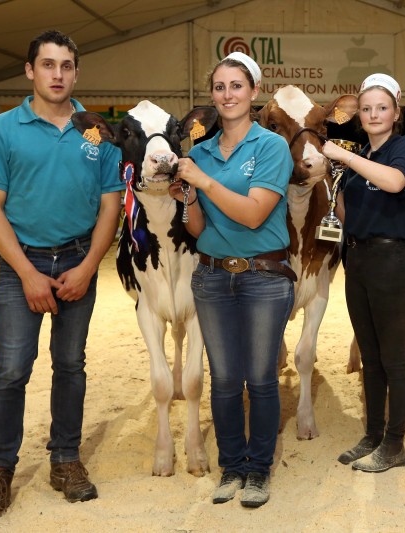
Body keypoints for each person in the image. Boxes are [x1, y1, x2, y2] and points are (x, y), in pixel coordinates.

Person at [0, 30, 122, 528]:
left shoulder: (96, 131)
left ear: (76, 72)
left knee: (70, 365)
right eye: (47, 65)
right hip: (21, 266)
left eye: (66, 65)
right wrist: (27, 273)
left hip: (79, 260)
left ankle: (65, 460)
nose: (57, 74)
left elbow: (110, 205)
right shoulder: (0, 129)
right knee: (11, 368)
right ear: (29, 70)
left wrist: (90, 266)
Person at [170, 51, 294, 508]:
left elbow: (254, 213)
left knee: (260, 378)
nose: (227, 95)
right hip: (213, 277)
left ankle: (258, 470)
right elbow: (199, 230)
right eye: (220, 87)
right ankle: (232, 467)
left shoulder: (271, 147)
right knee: (223, 379)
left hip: (264, 278)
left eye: (236, 86)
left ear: (253, 92)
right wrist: (188, 199)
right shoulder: (199, 152)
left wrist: (202, 182)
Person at [322, 73, 405, 473]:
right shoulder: (364, 153)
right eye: (366, 109)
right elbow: (350, 216)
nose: (374, 114)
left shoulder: (403, 148)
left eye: (382, 107)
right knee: (370, 357)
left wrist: (346, 159)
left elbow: (396, 183)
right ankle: (373, 433)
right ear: (358, 116)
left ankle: (395, 443)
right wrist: (331, 185)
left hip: (393, 262)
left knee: (394, 357)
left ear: (396, 112)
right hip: (358, 259)